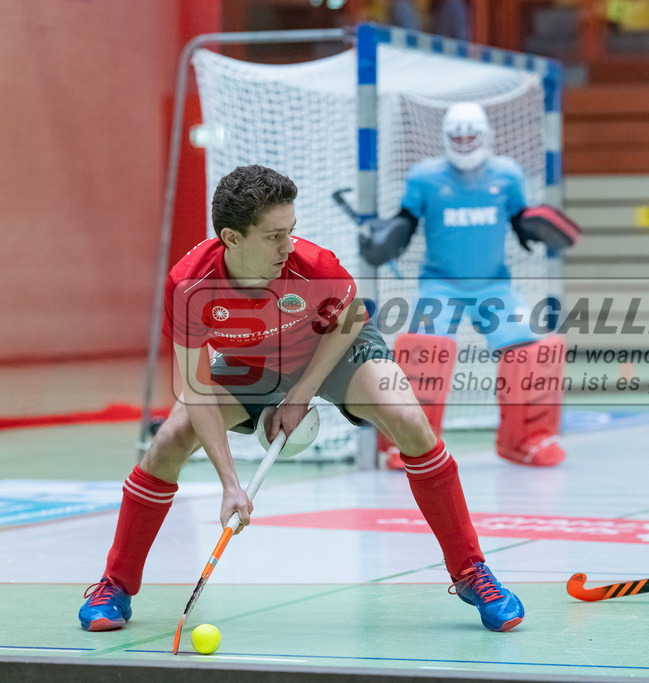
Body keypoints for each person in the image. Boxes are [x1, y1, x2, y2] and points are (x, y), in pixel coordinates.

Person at [78, 164, 524, 633]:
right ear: (231, 238)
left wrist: (300, 394)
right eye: (274, 236)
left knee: (408, 420)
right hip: (254, 361)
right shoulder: (189, 285)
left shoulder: (314, 265)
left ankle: (471, 572)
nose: (288, 245)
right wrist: (231, 482)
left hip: (334, 347)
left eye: (291, 231)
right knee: (168, 443)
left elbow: (348, 320)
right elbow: (196, 387)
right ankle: (116, 585)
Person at [359, 102, 579, 471]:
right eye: (456, 136)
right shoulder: (424, 177)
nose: (463, 142)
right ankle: (410, 442)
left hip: (495, 286)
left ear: (484, 135)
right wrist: (388, 235)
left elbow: (518, 215)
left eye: (469, 135)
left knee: (529, 354)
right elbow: (407, 220)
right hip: (439, 286)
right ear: (446, 137)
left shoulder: (507, 174)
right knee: (422, 356)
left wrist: (532, 224)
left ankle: (527, 439)